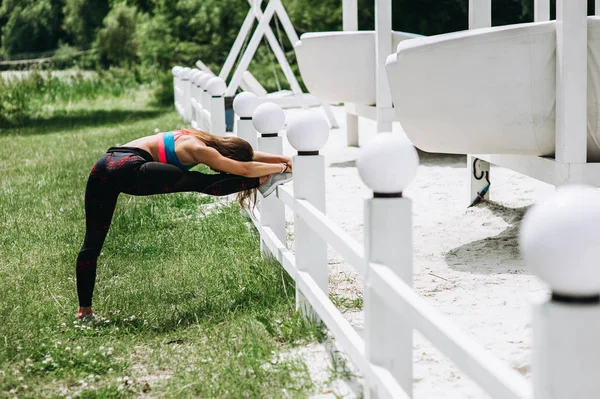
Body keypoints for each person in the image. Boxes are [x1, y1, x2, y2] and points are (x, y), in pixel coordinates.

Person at [75, 128, 292, 320]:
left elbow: (247, 157)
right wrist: (281, 169)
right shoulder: (202, 150)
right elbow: (243, 169)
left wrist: (285, 159)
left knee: (92, 242)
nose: (219, 170)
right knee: (203, 183)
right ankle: (263, 182)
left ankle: (84, 311)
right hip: (131, 169)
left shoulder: (201, 137)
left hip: (104, 164)